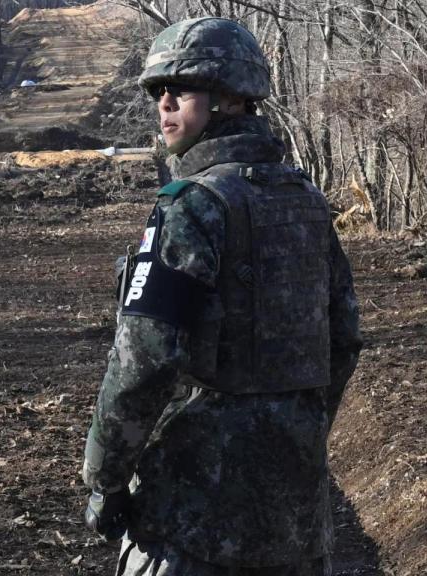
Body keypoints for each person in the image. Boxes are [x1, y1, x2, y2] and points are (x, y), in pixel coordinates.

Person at [81, 16, 363, 576]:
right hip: (295, 519)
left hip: (193, 522)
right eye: (158, 92)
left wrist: (105, 479)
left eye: (179, 90)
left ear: (231, 98)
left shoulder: (191, 206)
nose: (163, 105)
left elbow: (144, 361)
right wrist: (293, 427)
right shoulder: (304, 199)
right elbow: (344, 338)